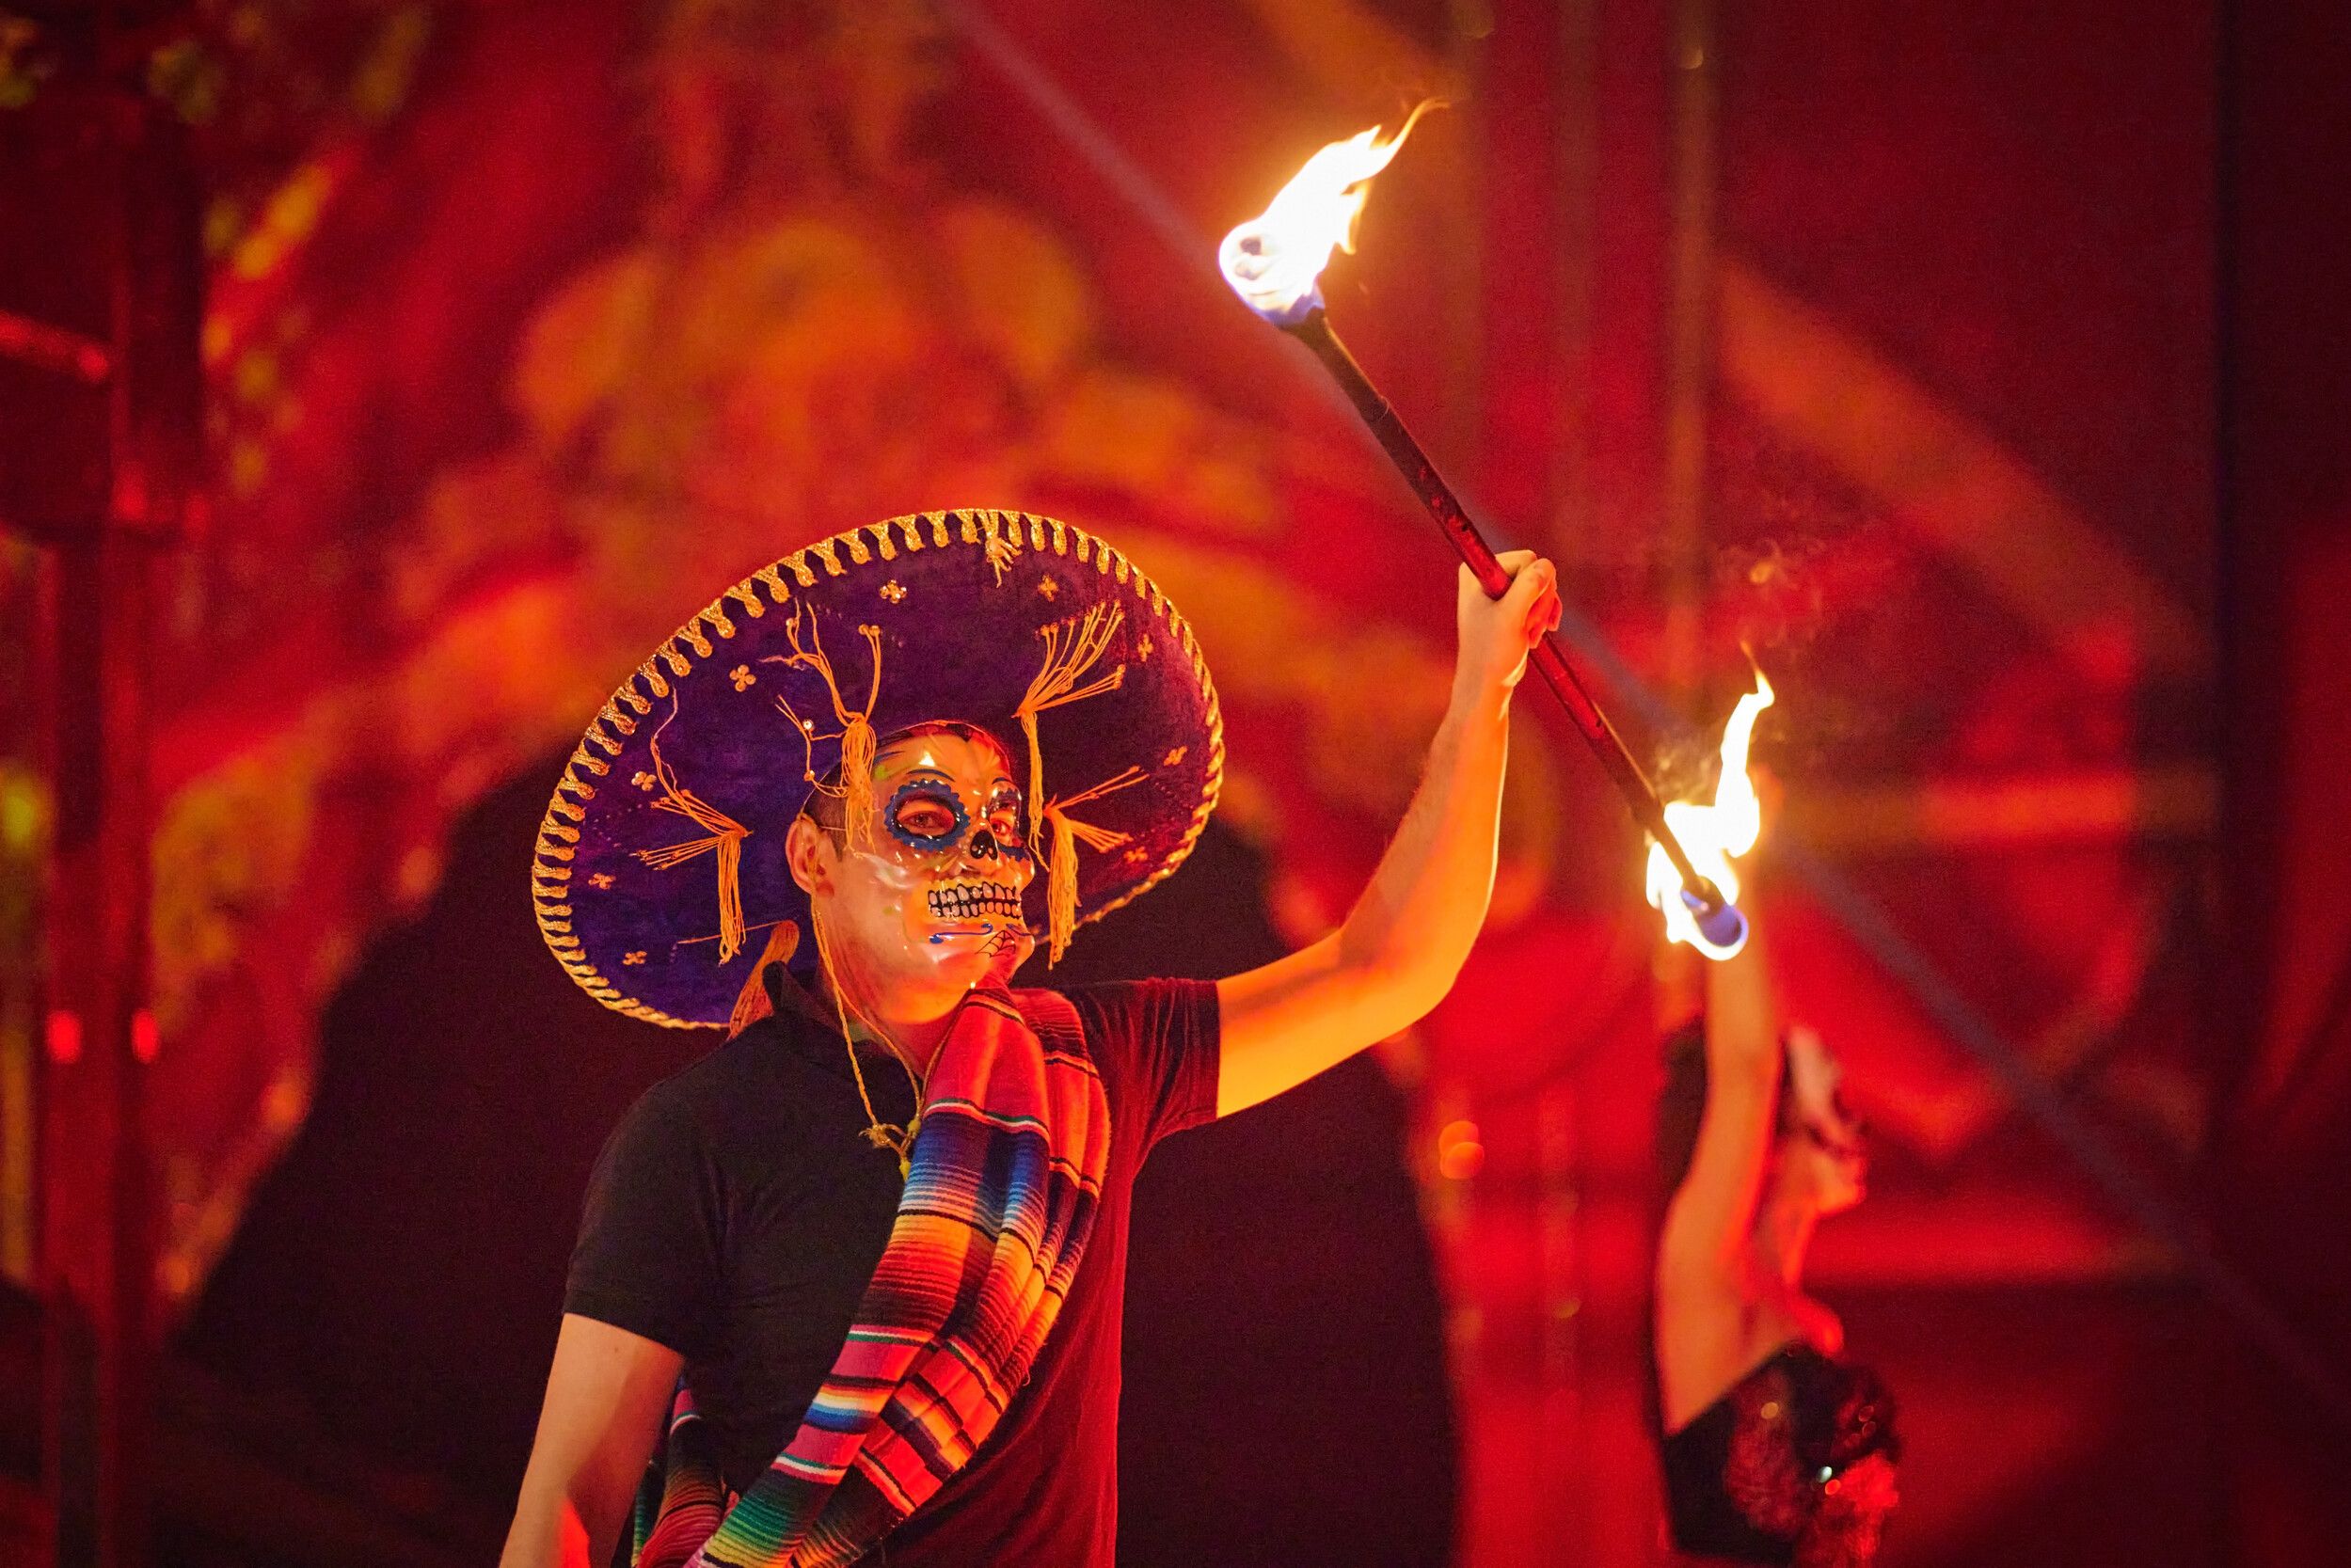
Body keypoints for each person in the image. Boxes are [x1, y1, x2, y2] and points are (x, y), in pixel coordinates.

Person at [499, 508, 1559, 1568]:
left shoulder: (1087, 1064)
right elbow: (570, 1504)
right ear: (815, 859)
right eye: (925, 816)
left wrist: (1484, 693)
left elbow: (1383, 968)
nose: (983, 854)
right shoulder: (696, 1135)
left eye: (1003, 822)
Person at [1650, 920, 1901, 1567]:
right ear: (1772, 1125)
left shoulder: (1811, 1327)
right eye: (1836, 1096)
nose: (1858, 1120)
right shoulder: (1706, 1273)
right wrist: (1731, 877)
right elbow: (1744, 1070)